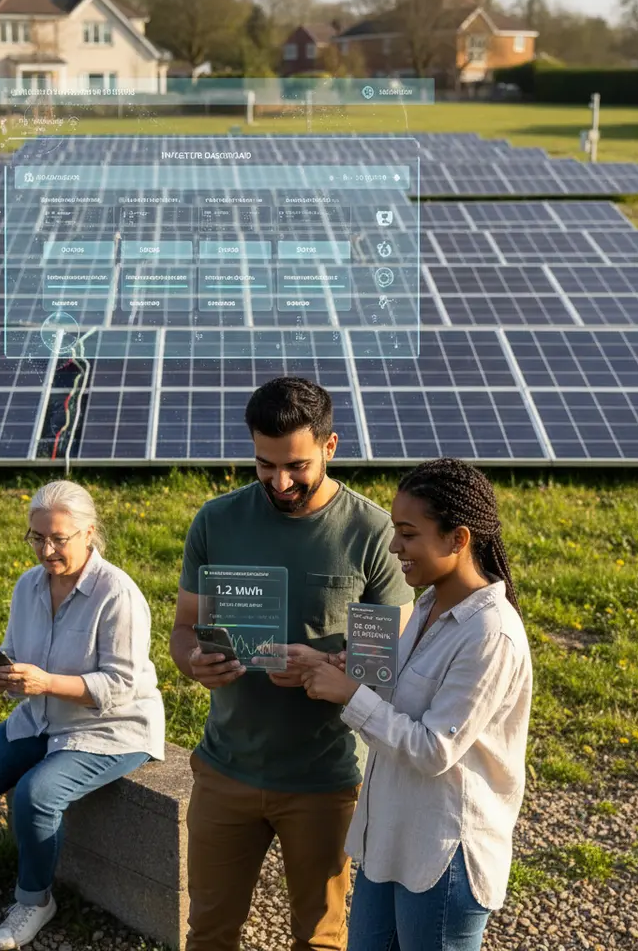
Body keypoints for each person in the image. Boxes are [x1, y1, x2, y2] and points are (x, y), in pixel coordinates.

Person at [170, 376, 414, 951]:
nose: (280, 482)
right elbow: (183, 630)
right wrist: (193, 663)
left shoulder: (372, 533)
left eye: (297, 466)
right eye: (265, 465)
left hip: (324, 778)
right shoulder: (216, 521)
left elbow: (391, 664)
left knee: (320, 938)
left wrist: (323, 666)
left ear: (330, 447)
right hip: (226, 768)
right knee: (208, 933)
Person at [0, 480, 165, 951]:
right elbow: (16, 649)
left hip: (110, 727)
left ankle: (35, 899)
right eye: (37, 537)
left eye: (58, 538)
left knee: (36, 794)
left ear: (88, 533)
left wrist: (45, 682)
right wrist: (7, 675)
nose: (46, 550)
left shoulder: (118, 594)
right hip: (43, 716)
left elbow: (119, 687)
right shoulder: (28, 585)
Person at [301, 458, 533, 951]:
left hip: (442, 857)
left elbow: (433, 749)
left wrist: (352, 696)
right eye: (395, 531)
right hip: (389, 840)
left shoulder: (490, 633)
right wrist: (356, 675)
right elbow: (402, 706)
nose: (394, 547)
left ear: (458, 539)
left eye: (408, 534)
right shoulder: (427, 604)